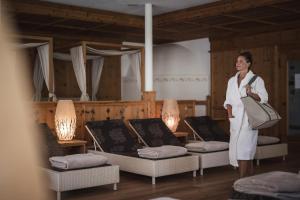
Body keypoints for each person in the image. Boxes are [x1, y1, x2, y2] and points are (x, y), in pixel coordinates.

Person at [224, 51, 268, 178]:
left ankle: (241, 181)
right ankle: (249, 180)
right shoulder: (231, 81)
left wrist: (251, 93)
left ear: (248, 63)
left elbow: (264, 98)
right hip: (235, 119)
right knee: (237, 152)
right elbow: (228, 101)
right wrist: (229, 115)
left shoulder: (257, 80)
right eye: (237, 61)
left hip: (249, 120)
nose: (237, 63)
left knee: (245, 151)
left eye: (241, 61)